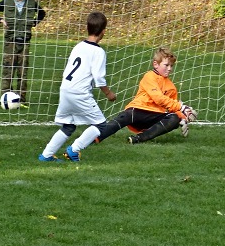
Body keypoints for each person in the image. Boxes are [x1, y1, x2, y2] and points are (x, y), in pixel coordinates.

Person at [64, 47, 193, 163]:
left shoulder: (171, 87)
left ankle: (138, 139)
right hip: (138, 111)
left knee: (174, 119)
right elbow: (158, 98)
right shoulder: (149, 76)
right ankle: (94, 138)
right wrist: (181, 108)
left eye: (171, 66)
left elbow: (171, 106)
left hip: (153, 117)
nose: (169, 69)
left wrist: (182, 117)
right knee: (126, 116)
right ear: (155, 64)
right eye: (166, 65)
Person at [38, 11, 116, 162]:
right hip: (80, 93)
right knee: (101, 125)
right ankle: (74, 149)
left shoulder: (79, 46)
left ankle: (46, 155)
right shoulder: (98, 51)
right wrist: (109, 94)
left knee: (68, 126)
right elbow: (99, 78)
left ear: (87, 28)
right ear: (103, 31)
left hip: (66, 89)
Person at [0, 0, 46, 107]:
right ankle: (5, 96)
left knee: (23, 71)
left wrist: (34, 22)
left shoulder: (31, 3)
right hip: (10, 41)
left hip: (25, 41)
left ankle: (21, 99)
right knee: (8, 69)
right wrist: (0, 20)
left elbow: (42, 13)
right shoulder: (7, 1)